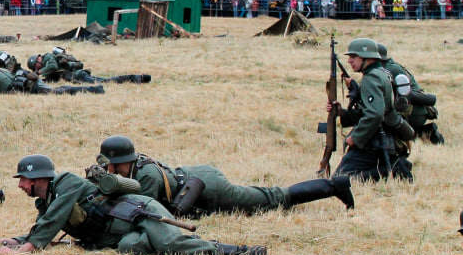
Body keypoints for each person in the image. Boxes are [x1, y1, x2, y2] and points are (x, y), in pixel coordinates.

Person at [0, 155, 266, 255]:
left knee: (174, 246)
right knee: (132, 248)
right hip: (121, 233)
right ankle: (166, 242)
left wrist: (24, 250)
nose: (20, 185)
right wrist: (13, 240)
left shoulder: (66, 184)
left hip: (140, 212)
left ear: (39, 178)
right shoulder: (46, 200)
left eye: (24, 179)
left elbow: (47, 227)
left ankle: (241, 253)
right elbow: (43, 226)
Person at [88, 135, 353, 217]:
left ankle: (333, 186)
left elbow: (140, 210)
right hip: (196, 175)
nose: (110, 170)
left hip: (208, 187)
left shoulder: (145, 176)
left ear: (125, 162)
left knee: (270, 198)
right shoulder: (134, 168)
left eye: (113, 166)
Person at [328, 38, 414, 182]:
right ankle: (394, 167)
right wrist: (342, 112)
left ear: (367, 58)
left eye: (354, 57)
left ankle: (396, 169)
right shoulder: (381, 73)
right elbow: (370, 110)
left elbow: (375, 114)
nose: (349, 61)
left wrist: (355, 138)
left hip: (372, 142)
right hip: (382, 139)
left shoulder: (371, 78)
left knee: (339, 180)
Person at [379, 43, 443, 144]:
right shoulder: (390, 67)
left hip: (413, 111)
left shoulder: (389, 69)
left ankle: (422, 132)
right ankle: (423, 132)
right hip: (415, 110)